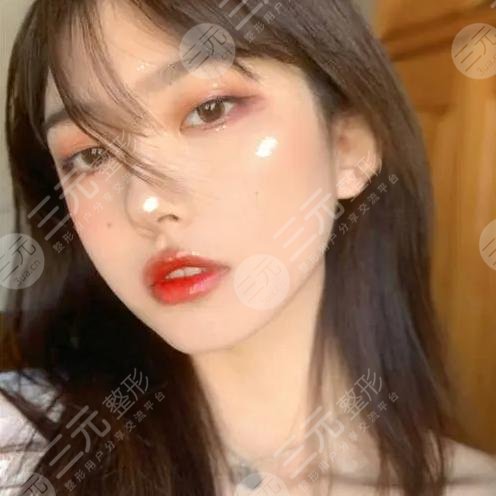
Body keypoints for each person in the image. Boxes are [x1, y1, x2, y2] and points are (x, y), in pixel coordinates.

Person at [1, 0, 495, 494]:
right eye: (90, 155)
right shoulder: (20, 451)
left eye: (209, 110)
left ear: (349, 145)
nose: (145, 204)